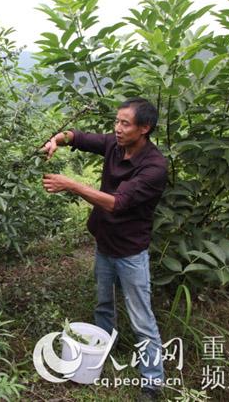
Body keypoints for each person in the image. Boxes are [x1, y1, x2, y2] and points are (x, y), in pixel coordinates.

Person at [40, 98, 167, 401]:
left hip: (130, 251)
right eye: (117, 121)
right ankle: (99, 353)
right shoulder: (115, 144)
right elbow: (79, 137)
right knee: (103, 305)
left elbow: (116, 204)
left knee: (142, 319)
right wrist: (57, 139)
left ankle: (152, 382)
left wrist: (71, 185)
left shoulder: (154, 167)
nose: (118, 128)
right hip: (104, 242)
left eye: (125, 123)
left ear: (144, 128)